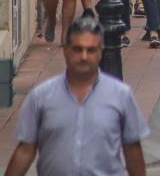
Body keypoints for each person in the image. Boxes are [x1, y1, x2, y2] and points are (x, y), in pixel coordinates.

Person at [5, 17, 149, 176]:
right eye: (78, 49)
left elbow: (132, 149)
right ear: (66, 50)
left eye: (91, 50)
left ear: (100, 52)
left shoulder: (121, 96)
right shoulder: (41, 97)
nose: (84, 56)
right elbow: (25, 149)